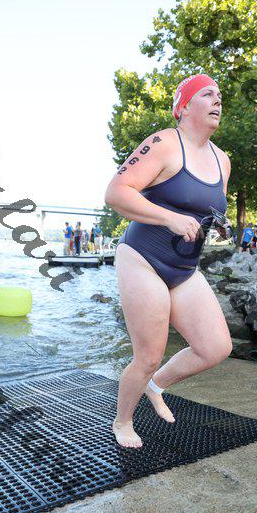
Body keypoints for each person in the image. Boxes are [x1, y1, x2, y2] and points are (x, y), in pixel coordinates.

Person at [105, 73, 232, 448]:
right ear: (185, 106)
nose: (217, 100)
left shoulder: (222, 160)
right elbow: (116, 193)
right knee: (148, 355)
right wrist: (168, 218)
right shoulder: (162, 143)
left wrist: (220, 224)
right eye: (207, 94)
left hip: (185, 269)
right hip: (143, 258)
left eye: (219, 95)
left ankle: (156, 385)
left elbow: (209, 206)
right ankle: (122, 421)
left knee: (215, 348)